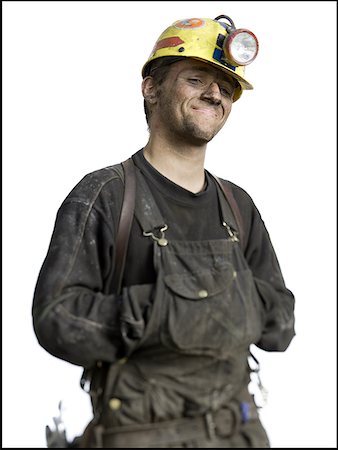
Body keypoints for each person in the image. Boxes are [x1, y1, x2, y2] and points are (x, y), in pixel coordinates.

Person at [32, 14, 296, 448]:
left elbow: (281, 325)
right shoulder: (105, 196)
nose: (215, 93)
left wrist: (219, 305)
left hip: (239, 434)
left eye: (226, 87)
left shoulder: (238, 207)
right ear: (151, 88)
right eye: (196, 79)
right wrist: (162, 311)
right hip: (140, 435)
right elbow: (55, 318)